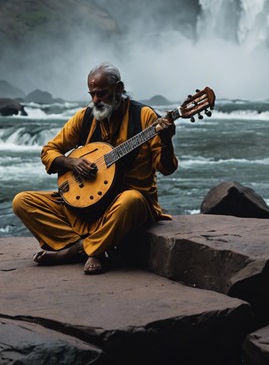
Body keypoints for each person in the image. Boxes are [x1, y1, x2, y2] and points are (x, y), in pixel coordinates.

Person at [12, 62, 177, 275]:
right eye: (92, 94)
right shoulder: (85, 118)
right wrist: (72, 162)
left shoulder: (144, 116)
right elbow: (49, 151)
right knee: (22, 202)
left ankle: (77, 250)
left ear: (119, 88)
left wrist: (167, 140)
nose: (96, 100)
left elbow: (167, 168)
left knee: (132, 200)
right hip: (86, 206)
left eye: (102, 93)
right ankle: (92, 245)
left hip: (124, 208)